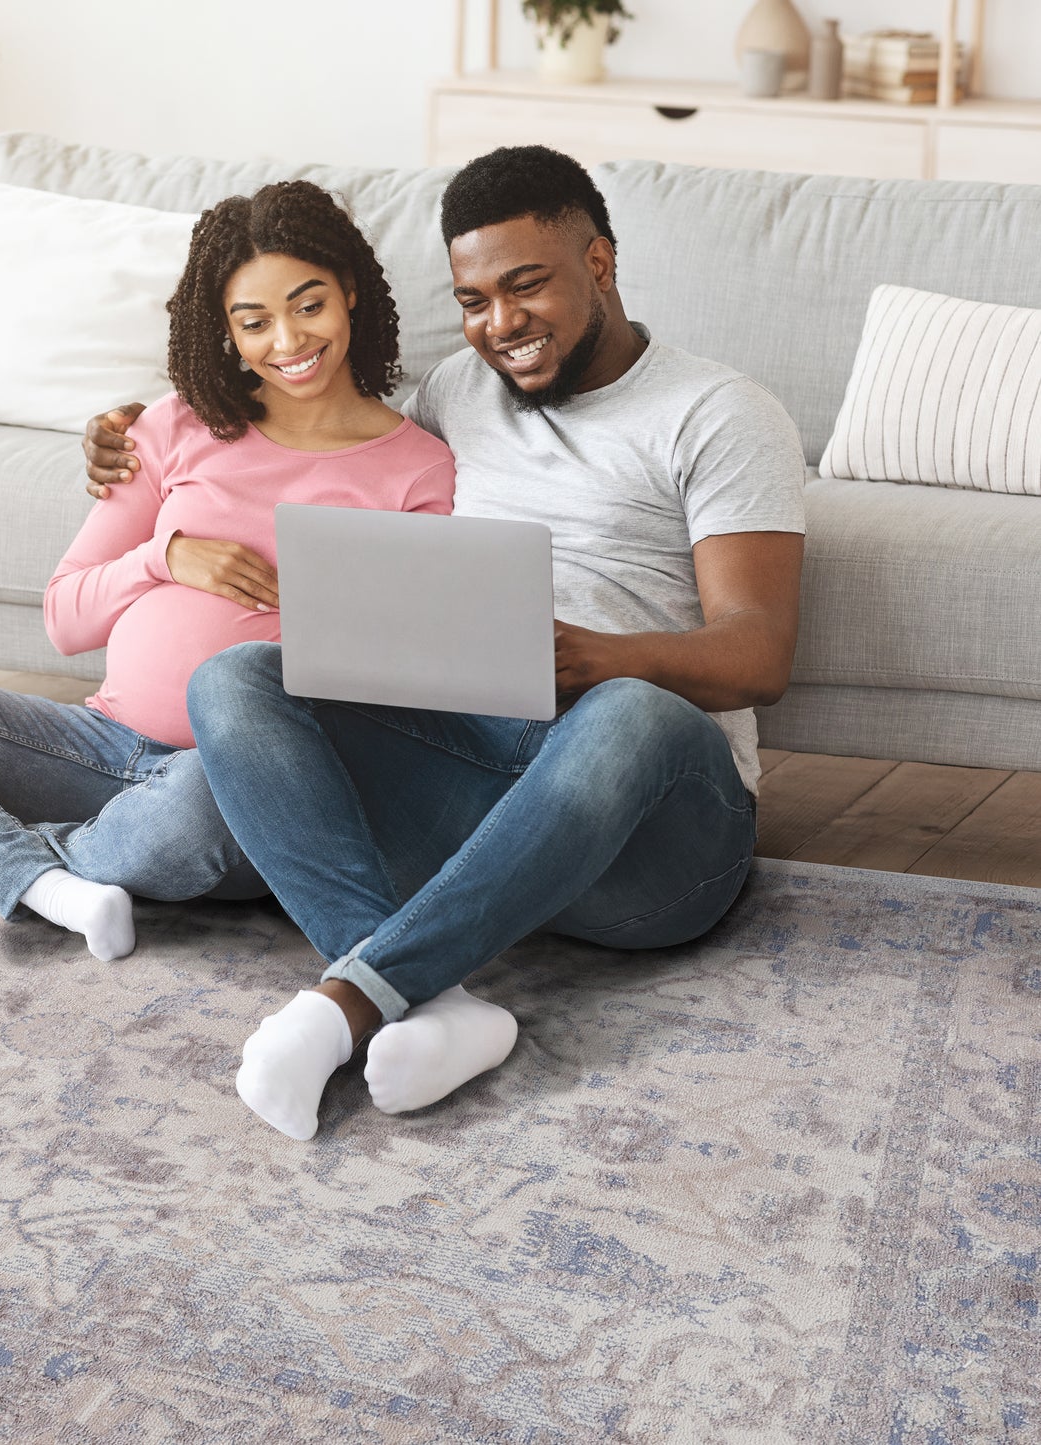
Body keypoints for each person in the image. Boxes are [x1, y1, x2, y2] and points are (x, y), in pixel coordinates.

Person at [81, 145, 808, 1139]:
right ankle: (438, 1000)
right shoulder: (455, 395)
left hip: (652, 833)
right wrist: (137, 430)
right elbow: (311, 436)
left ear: (597, 262)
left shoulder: (717, 413)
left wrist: (596, 658)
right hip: (483, 779)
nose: (498, 323)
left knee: (630, 712)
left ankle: (348, 1000)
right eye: (472, 299)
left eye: (525, 286)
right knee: (241, 678)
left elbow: (757, 650)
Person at [0, 179, 455, 962]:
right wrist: (166, 557)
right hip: (94, 742)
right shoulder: (175, 425)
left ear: (349, 291)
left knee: (206, 804)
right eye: (254, 322)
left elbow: (411, 676)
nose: (287, 340)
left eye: (308, 305)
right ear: (226, 331)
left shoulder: (418, 471)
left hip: (231, 784)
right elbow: (65, 618)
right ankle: (37, 868)